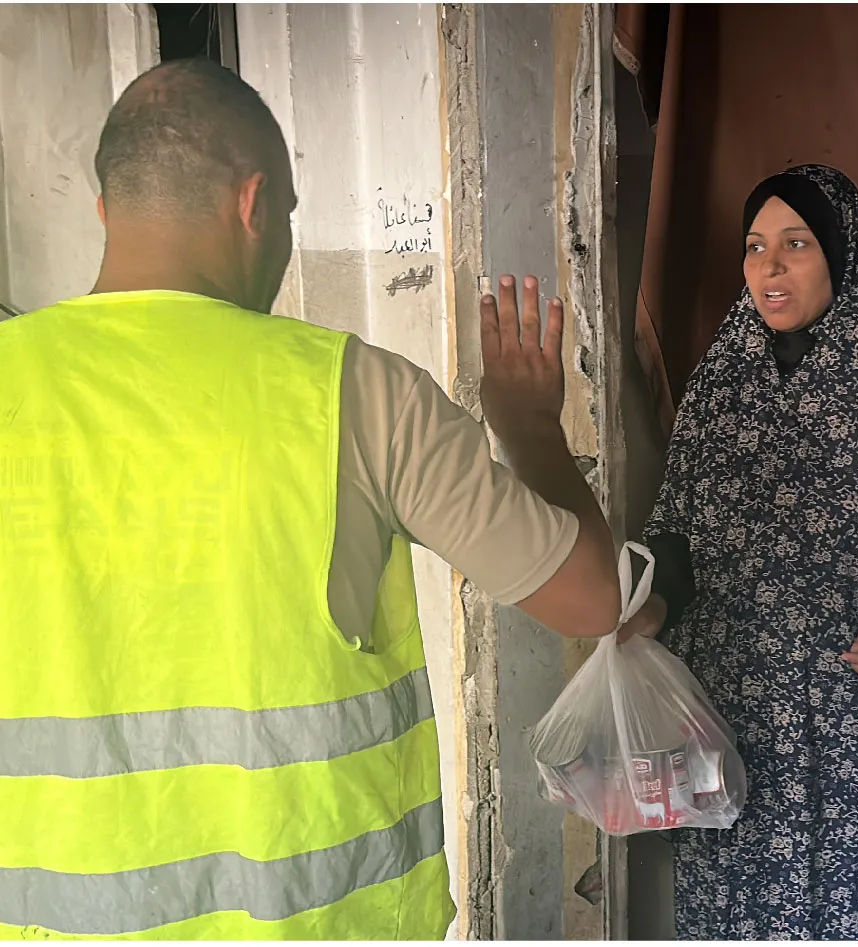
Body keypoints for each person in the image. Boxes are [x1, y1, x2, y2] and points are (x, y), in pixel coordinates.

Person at [0, 59, 621, 940]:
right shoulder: (356, 392)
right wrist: (529, 428)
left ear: (105, 209)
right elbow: (593, 599)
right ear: (254, 205)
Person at [621, 165, 858, 940]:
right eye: (755, 246)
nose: (768, 267)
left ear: (843, 254)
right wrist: (654, 605)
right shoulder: (720, 385)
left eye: (795, 244)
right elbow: (678, 534)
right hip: (739, 715)